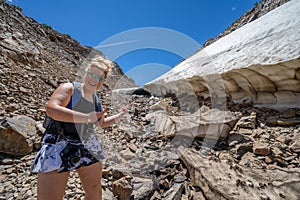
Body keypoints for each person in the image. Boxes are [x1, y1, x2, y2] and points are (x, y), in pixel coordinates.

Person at [31, 56, 127, 200]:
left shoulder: (96, 100)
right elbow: (52, 109)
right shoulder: (69, 88)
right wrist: (87, 117)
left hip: (86, 142)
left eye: (99, 77)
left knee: (95, 193)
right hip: (58, 142)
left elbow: (101, 123)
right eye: (91, 74)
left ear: (103, 81)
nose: (94, 80)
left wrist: (120, 116)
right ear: (86, 73)